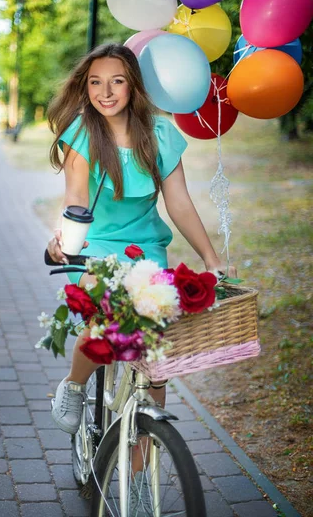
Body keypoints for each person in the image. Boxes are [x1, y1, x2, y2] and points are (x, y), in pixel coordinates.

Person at [47, 42, 236, 438]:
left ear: (133, 85)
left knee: (156, 360)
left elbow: (179, 202)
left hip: (144, 247)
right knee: (107, 316)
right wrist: (64, 239)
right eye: (96, 83)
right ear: (85, 88)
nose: (106, 92)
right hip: (93, 243)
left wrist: (210, 258)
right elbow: (77, 199)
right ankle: (75, 385)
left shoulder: (161, 132)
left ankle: (138, 476)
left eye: (117, 81)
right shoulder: (81, 132)